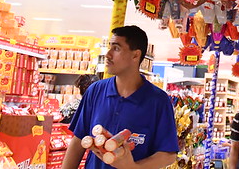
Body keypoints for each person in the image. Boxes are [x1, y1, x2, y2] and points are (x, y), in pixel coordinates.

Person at [61, 26, 179, 169]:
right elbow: (78, 140)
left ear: (135, 55)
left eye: (116, 48)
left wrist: (133, 167)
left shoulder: (158, 100)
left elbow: (168, 154)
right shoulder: (96, 91)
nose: (108, 54)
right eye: (110, 47)